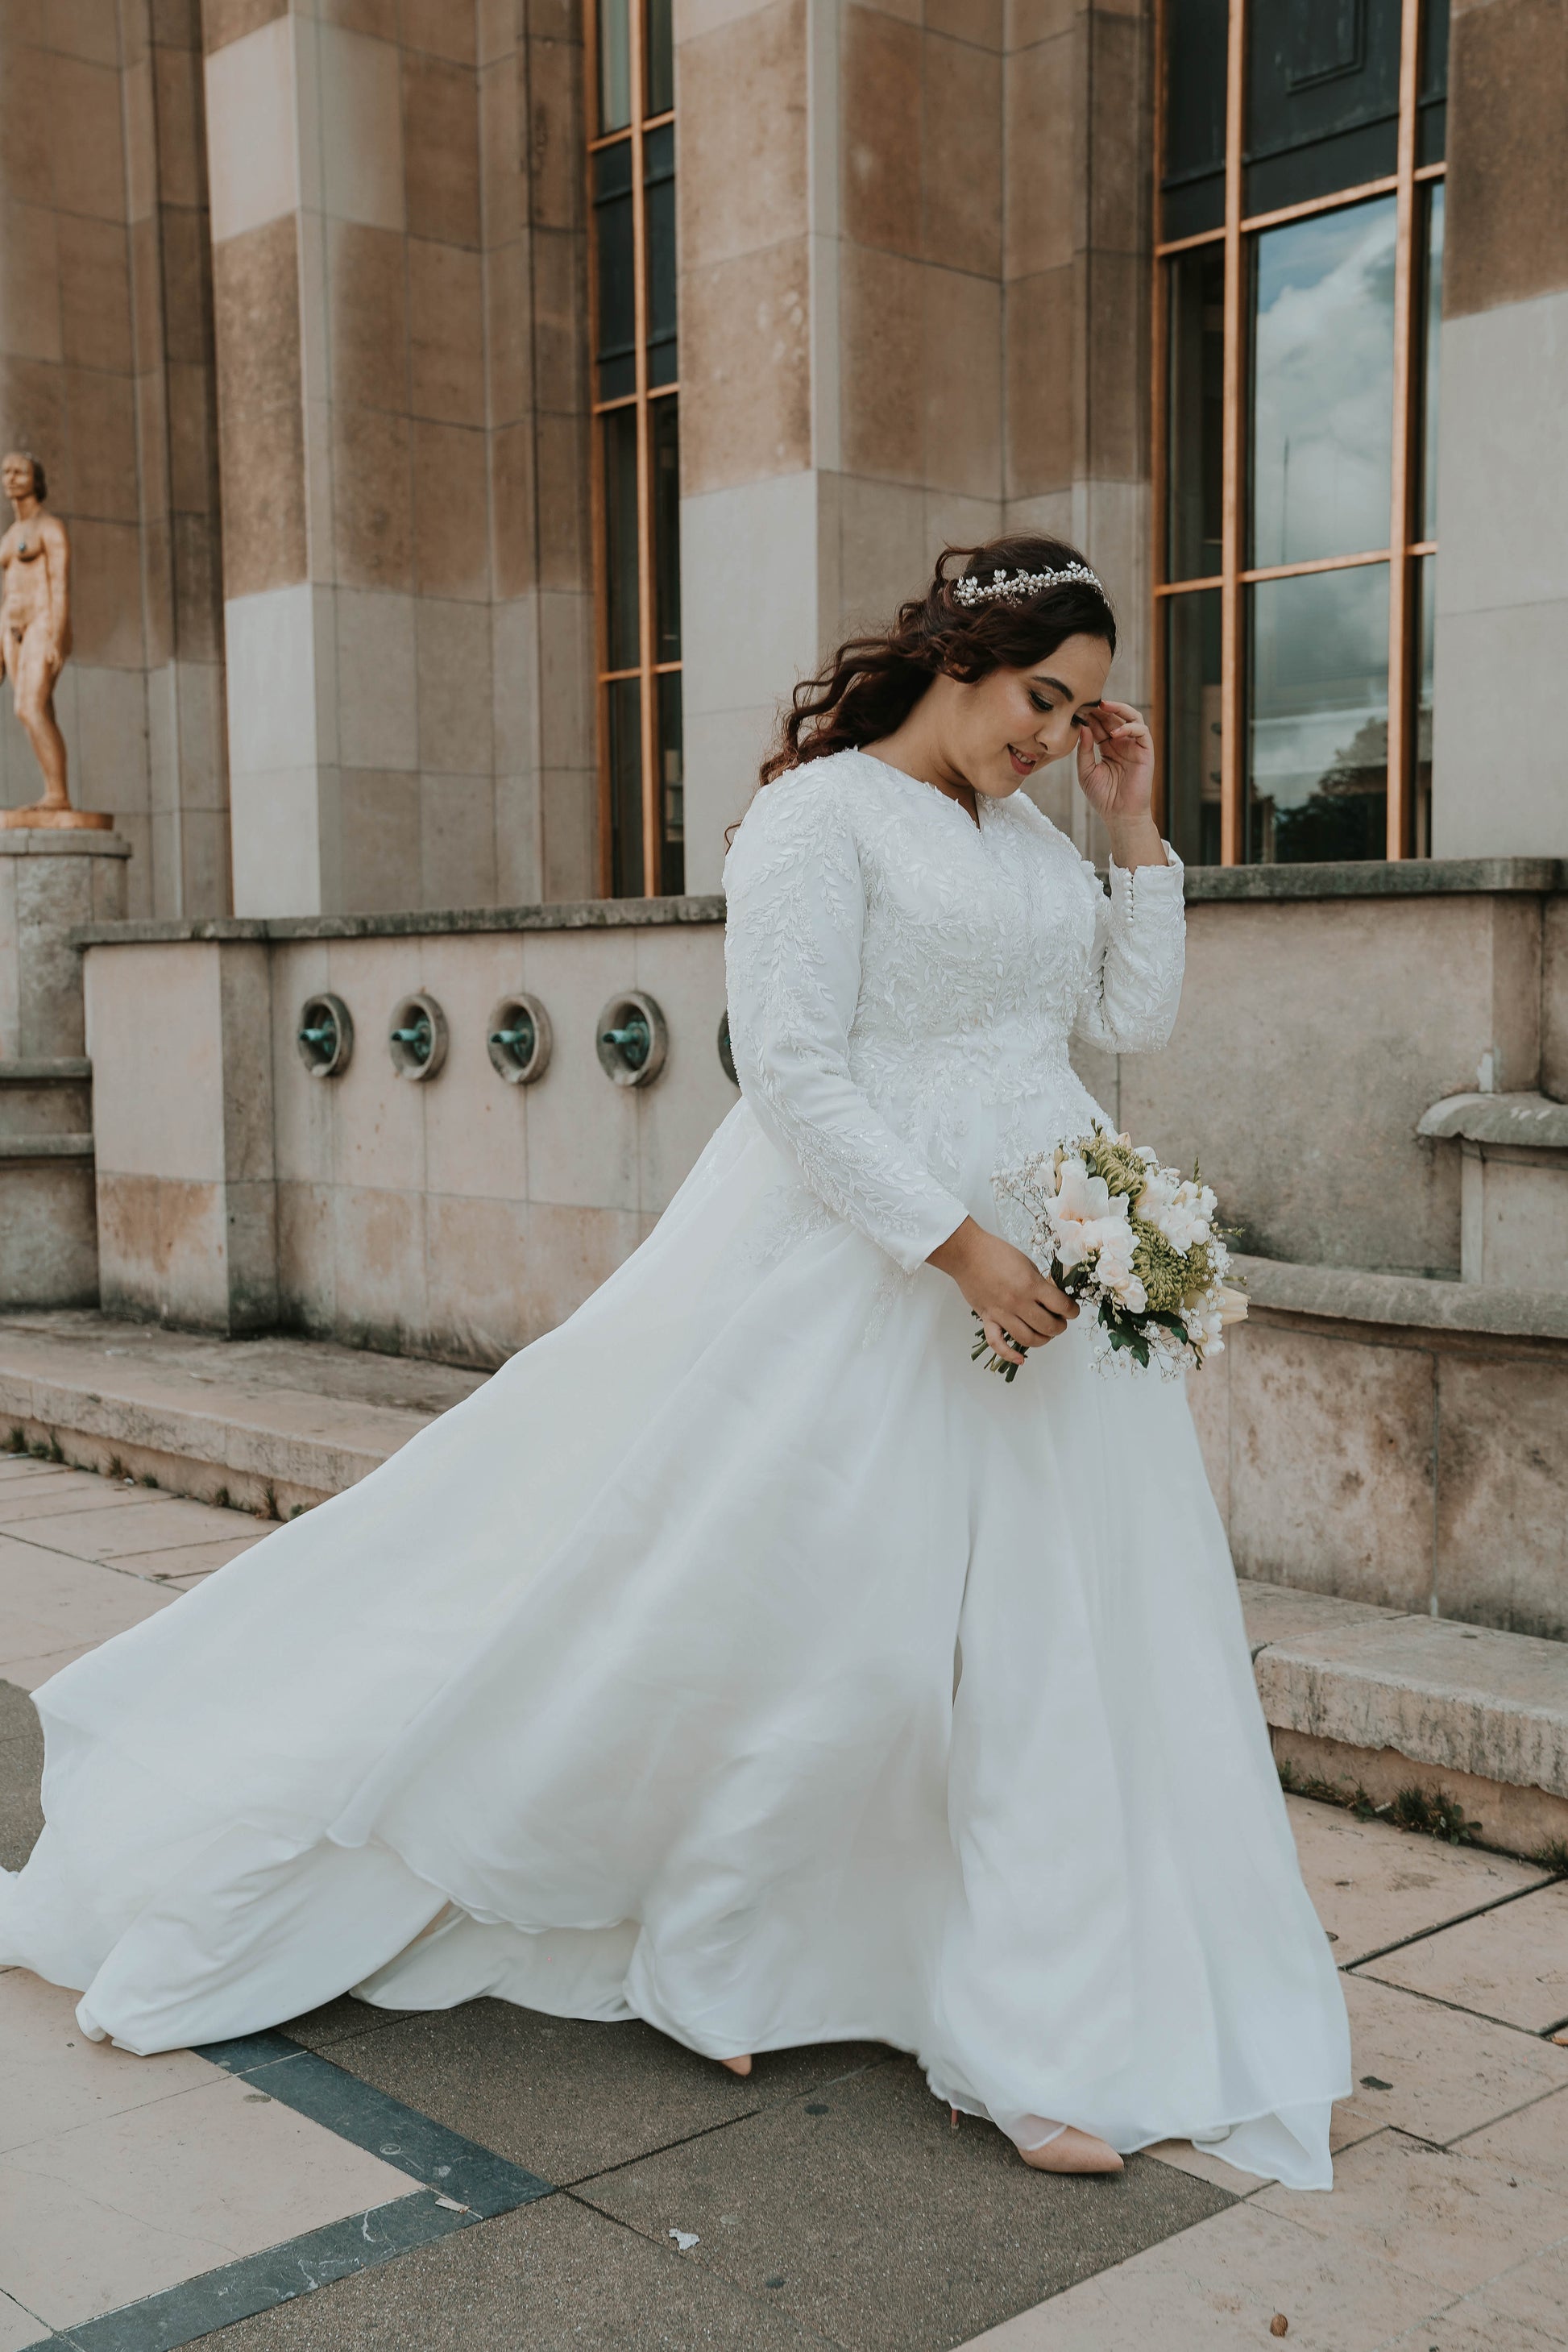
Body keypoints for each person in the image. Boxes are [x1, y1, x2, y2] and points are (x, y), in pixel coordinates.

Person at [0, 537, 1350, 2186]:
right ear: (955, 657)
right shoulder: (818, 814)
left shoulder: (1031, 837)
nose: (1048, 734)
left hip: (1043, 1286)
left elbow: (1124, 1025)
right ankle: (733, 1933)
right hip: (878, 1264)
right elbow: (789, 1064)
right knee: (811, 1634)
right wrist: (957, 1247)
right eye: (1036, 700)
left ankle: (1030, 2007)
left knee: (1052, 1646)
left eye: (1075, 712)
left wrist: (1130, 825)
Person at [0, 450, 74, 814]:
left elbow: (60, 584)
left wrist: (57, 636)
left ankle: (58, 794)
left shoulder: (50, 528)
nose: (11, 478)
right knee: (37, 709)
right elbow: (6, 592)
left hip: (44, 621)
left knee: (28, 707)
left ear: (36, 480)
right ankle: (52, 790)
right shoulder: (10, 535)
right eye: (6, 472)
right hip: (12, 629)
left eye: (20, 471)